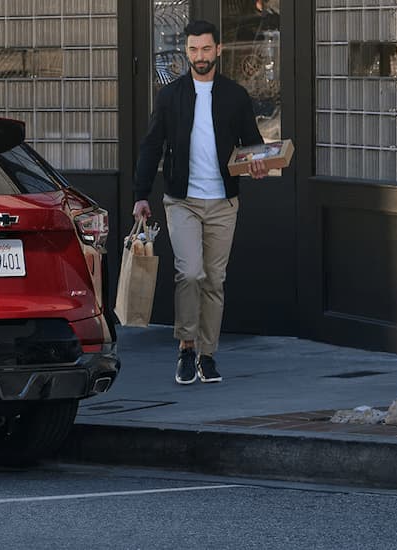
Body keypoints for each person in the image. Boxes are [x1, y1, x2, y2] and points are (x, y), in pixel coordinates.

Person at [132, 20, 270, 386]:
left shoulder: (235, 95)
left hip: (223, 201)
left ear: (218, 50)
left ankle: (208, 356)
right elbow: (150, 146)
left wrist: (257, 164)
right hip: (183, 201)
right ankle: (186, 347)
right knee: (189, 272)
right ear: (186, 52)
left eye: (206, 49)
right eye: (193, 50)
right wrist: (140, 195)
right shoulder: (171, 96)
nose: (199, 57)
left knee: (214, 280)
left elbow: (252, 145)